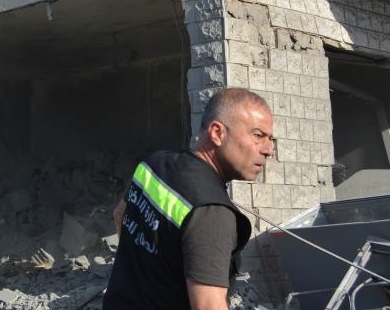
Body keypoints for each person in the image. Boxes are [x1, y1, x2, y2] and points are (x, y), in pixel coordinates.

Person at [104, 87, 275, 310]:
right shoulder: (212, 213)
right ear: (217, 133)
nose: (269, 149)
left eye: (271, 139)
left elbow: (120, 215)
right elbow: (208, 307)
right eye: (258, 136)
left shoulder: (156, 162)